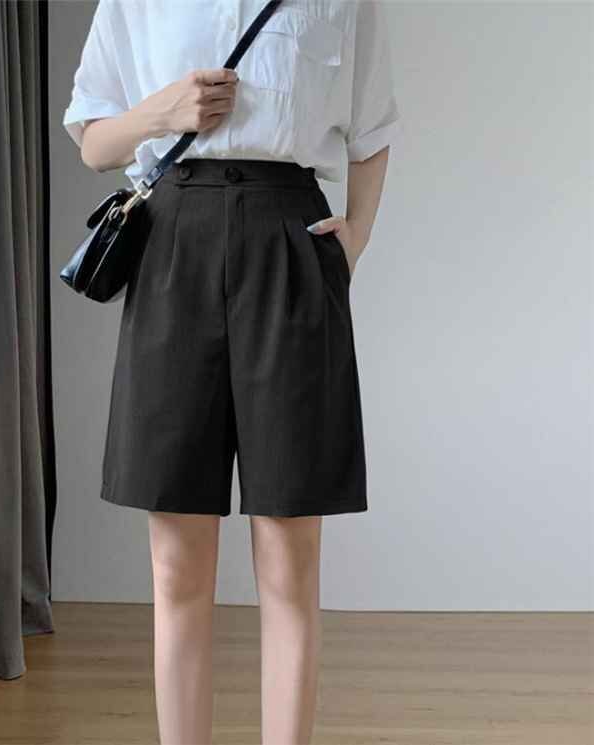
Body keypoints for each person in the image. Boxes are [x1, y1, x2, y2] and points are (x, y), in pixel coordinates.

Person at [62, 1, 401, 743]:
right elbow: (93, 140)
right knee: (177, 562)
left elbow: (373, 130)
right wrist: (160, 112)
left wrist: (355, 242)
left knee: (289, 559)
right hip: (173, 243)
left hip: (289, 240)